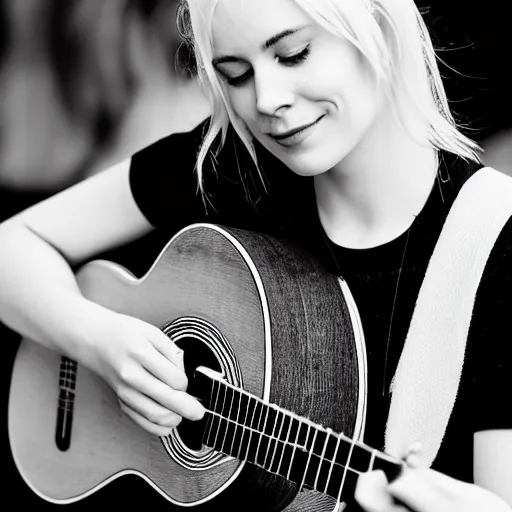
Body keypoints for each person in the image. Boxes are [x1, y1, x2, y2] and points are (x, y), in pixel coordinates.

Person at [0, 0, 510, 510]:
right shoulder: (231, 168)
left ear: (379, 28)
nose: (266, 100)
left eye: (293, 54)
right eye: (236, 74)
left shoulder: (495, 243)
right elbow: (12, 246)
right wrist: (97, 342)